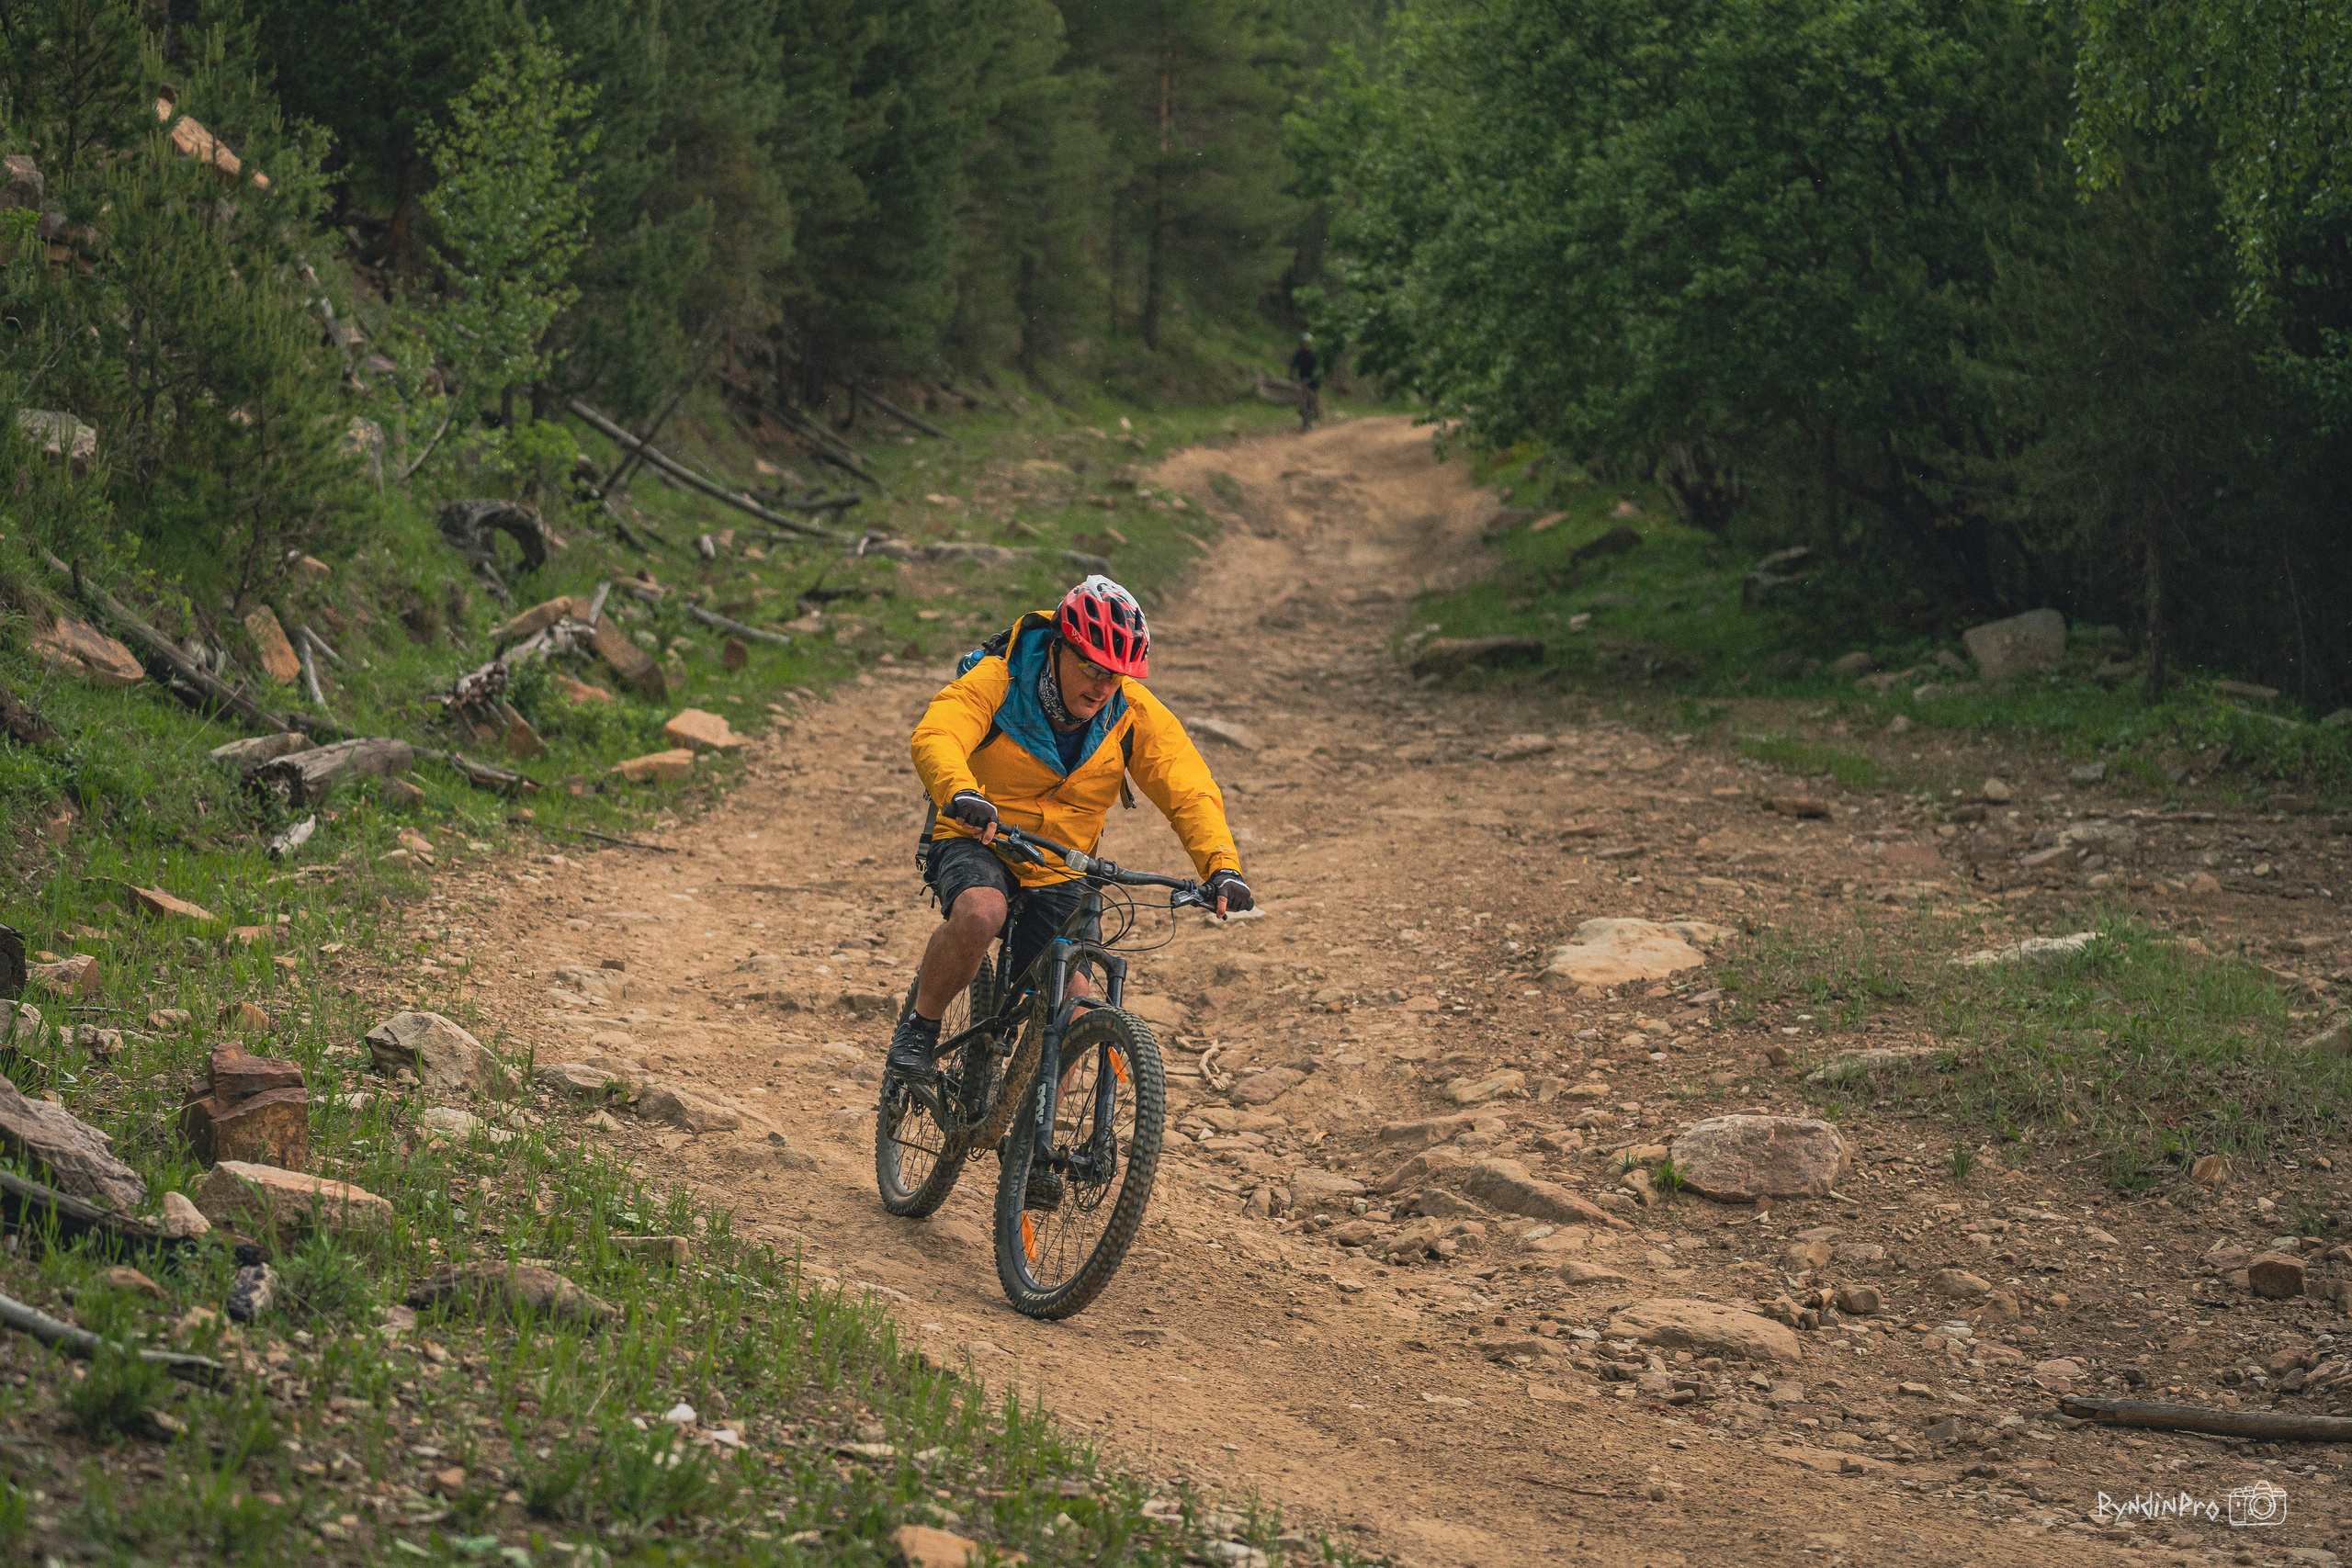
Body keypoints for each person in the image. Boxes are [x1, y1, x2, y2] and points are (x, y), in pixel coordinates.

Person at [888, 575, 1254, 1082]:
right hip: (981, 833)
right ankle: (920, 1029)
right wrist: (961, 792)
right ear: (1059, 647)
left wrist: (1222, 867)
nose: (1103, 687)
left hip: (1061, 863)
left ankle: (1035, 1131)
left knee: (1074, 1006)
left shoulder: (1132, 712)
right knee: (980, 912)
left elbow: (1187, 787)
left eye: (1116, 675)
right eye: (1091, 668)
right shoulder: (1000, 679)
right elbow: (939, 733)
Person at [1288, 333, 1321, 430]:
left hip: (1313, 378)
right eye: (1303, 344)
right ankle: (1301, 408)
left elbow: (1318, 368)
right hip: (1303, 378)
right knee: (1300, 391)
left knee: (1315, 393)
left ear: (1310, 345)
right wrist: (1291, 375)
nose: (1305, 346)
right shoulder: (1298, 354)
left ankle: (1317, 410)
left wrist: (1317, 376)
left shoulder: (1314, 355)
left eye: (1307, 344)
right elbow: (1293, 365)